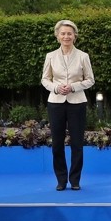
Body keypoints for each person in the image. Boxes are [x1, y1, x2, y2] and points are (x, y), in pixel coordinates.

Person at [41, 19, 95, 191]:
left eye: (69, 33)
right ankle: (61, 179)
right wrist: (56, 88)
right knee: (57, 143)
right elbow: (45, 79)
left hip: (77, 102)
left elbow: (90, 80)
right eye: (63, 33)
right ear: (57, 36)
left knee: (77, 143)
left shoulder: (83, 56)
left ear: (75, 36)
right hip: (55, 103)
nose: (66, 36)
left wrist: (73, 87)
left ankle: (75, 180)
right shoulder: (50, 56)